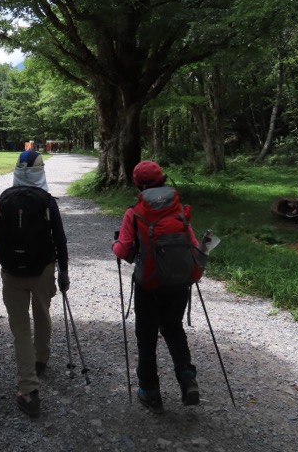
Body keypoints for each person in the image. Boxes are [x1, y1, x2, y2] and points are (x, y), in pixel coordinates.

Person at [112, 160, 201, 414]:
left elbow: (124, 249)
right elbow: (193, 244)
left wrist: (114, 244)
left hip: (148, 285)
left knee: (147, 337)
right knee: (174, 329)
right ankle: (186, 377)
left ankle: (150, 391)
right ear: (164, 179)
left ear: (137, 184)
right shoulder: (179, 209)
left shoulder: (135, 212)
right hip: (179, 283)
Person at [0, 150, 69, 418]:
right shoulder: (47, 202)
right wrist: (64, 272)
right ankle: (41, 359)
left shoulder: (4, 198)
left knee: (20, 329)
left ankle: (28, 388)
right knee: (42, 313)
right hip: (43, 269)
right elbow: (60, 240)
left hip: (12, 272)